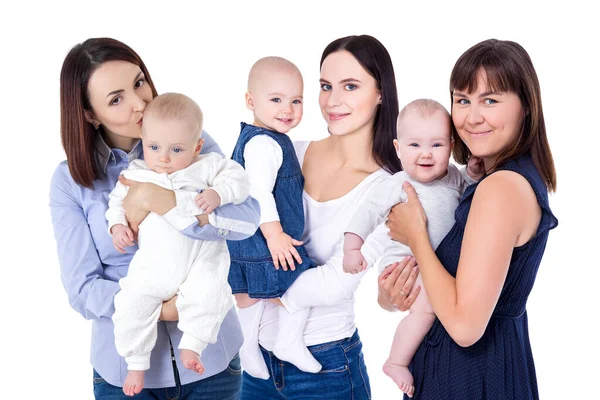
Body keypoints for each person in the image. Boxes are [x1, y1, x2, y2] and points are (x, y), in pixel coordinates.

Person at [50, 38, 260, 399]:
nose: (139, 103)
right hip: (124, 375)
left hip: (212, 364)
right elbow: (82, 288)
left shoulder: (190, 143)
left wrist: (161, 201)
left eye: (138, 82)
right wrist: (161, 310)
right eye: (116, 99)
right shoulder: (71, 181)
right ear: (89, 114)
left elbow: (246, 219)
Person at [240, 35, 419, 400]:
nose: (332, 101)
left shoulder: (390, 190)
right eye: (325, 86)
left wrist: (254, 282)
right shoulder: (288, 151)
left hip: (326, 369)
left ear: (381, 92)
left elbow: (335, 283)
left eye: (350, 86)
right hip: (254, 362)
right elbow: (235, 222)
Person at [384, 39, 558, 399]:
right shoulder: (493, 180)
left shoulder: (500, 189)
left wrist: (416, 237)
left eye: (490, 100)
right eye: (462, 100)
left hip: (469, 376)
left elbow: (464, 326)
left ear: (526, 106)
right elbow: (442, 288)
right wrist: (393, 294)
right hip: (479, 369)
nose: (472, 116)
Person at [106, 93, 251, 396]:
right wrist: (118, 225)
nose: (164, 158)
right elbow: (116, 203)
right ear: (143, 141)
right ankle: (136, 361)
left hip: (202, 259)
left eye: (176, 149)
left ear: (197, 146)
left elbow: (239, 181)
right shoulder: (136, 173)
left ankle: (193, 346)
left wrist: (219, 194)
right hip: (156, 264)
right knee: (130, 302)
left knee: (213, 293)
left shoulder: (209, 165)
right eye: (154, 147)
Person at [341, 99, 483, 397]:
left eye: (437, 144)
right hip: (406, 265)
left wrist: (472, 171)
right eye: (415, 145)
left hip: (436, 267)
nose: (426, 154)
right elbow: (367, 212)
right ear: (398, 148)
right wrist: (353, 247)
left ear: (451, 145)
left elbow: (472, 193)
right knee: (426, 312)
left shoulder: (454, 177)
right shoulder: (398, 184)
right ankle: (396, 361)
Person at [227, 56, 322, 379]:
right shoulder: (264, 144)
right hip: (268, 241)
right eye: (276, 100)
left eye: (296, 100)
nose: (288, 109)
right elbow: (258, 193)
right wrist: (275, 235)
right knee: (302, 283)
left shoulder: (258, 138)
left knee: (251, 295)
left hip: (248, 242)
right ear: (251, 101)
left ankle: (249, 346)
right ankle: (286, 341)